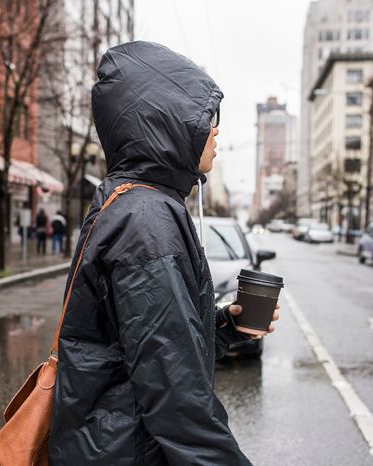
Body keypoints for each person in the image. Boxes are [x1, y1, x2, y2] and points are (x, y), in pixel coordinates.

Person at [49, 41, 277, 465]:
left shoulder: (133, 202)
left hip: (109, 445)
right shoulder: (147, 218)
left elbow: (144, 347)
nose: (215, 130)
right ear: (169, 123)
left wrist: (226, 326)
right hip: (128, 452)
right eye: (206, 118)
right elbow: (178, 400)